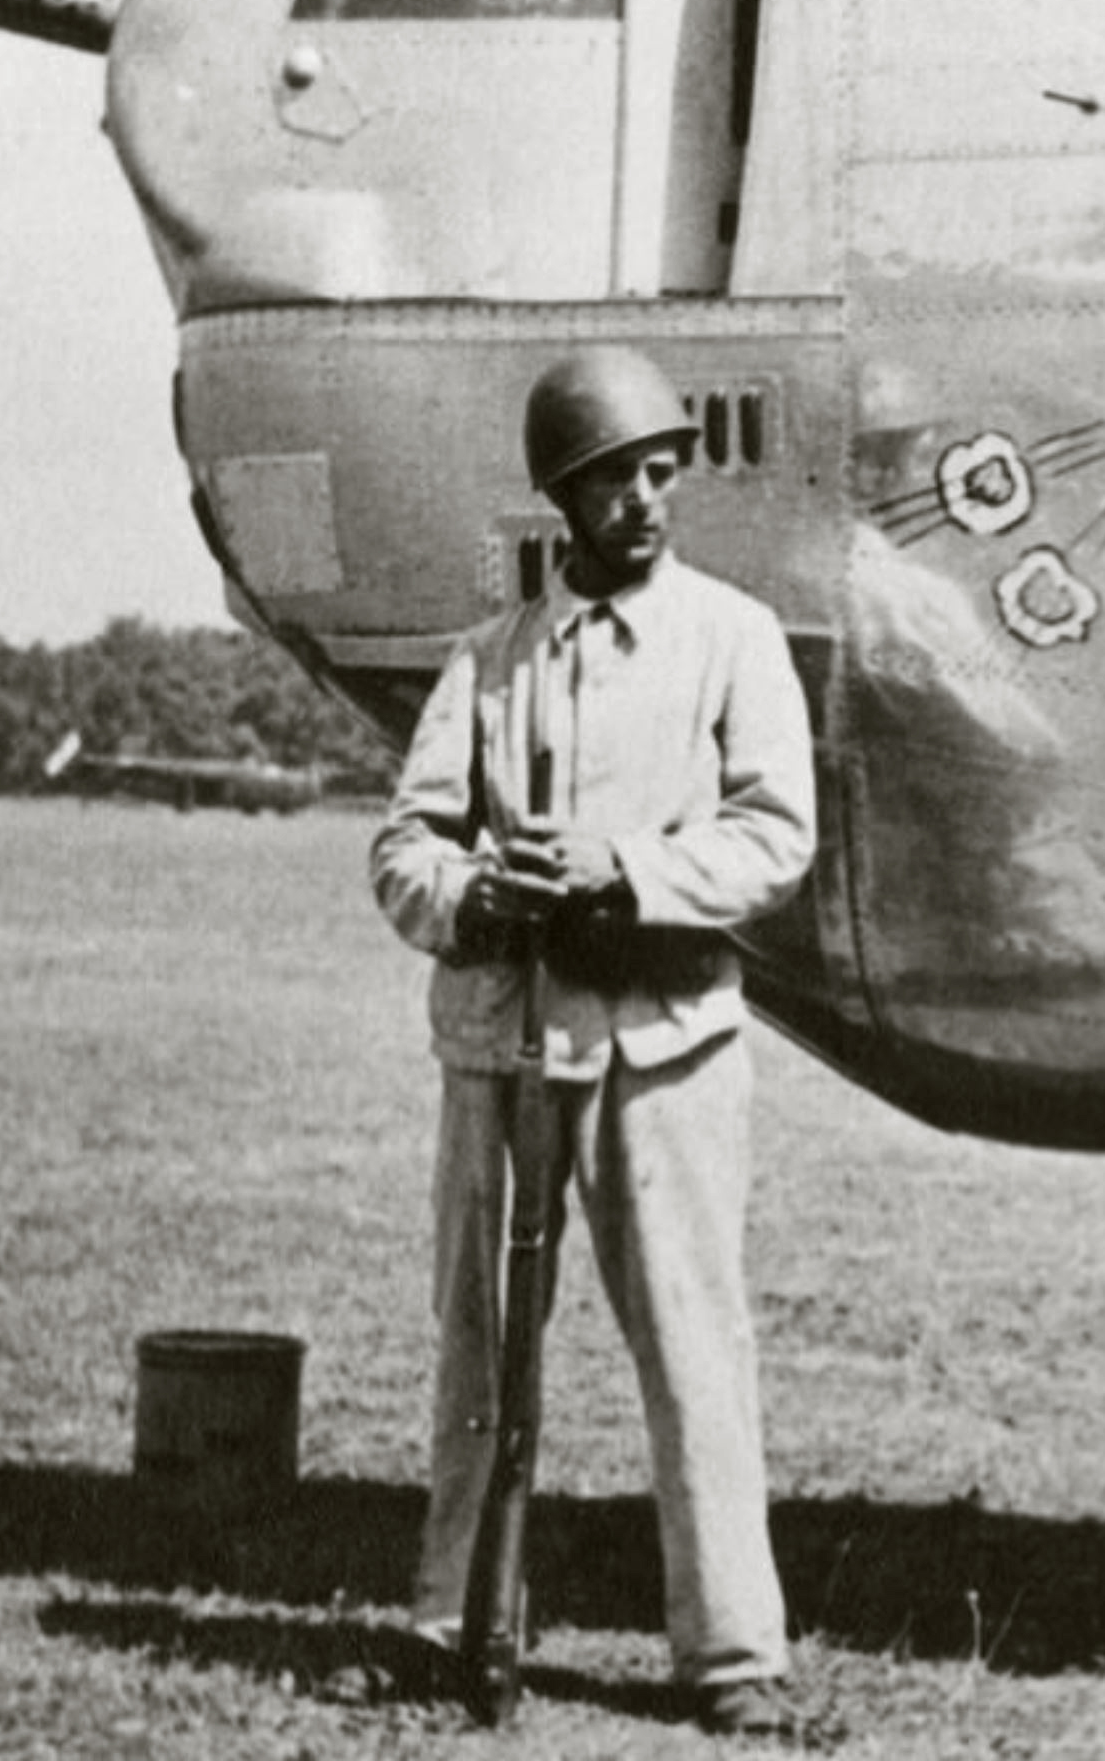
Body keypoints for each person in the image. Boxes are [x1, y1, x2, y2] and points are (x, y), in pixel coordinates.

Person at [370, 345, 817, 1736]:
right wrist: (474, 897)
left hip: (663, 1046)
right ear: (562, 497)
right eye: (616, 480)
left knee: (694, 1344)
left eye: (661, 473)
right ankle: (460, 1623)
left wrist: (622, 874)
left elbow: (774, 841)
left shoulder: (732, 640)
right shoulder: (488, 664)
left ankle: (732, 1659)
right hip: (503, 1054)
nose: (645, 501)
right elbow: (403, 848)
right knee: (480, 1347)